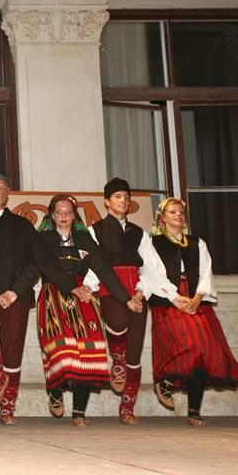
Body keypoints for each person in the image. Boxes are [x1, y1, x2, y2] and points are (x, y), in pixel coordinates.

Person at [35, 194, 135, 426]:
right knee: (61, 349)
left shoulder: (84, 238)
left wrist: (125, 299)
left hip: (84, 296)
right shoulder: (42, 239)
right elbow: (47, 267)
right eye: (59, 212)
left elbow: (103, 269)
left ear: (74, 215)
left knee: (89, 352)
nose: (63, 216)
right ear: (52, 215)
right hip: (54, 294)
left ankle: (79, 413)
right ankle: (55, 391)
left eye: (68, 212)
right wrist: (71, 288)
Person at [148, 198, 238, 426]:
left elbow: (205, 271)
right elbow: (152, 273)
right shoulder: (153, 243)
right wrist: (174, 297)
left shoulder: (196, 243)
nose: (178, 215)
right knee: (190, 343)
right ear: (162, 217)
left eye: (181, 212)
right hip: (168, 300)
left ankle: (194, 410)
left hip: (194, 299)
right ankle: (166, 381)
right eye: (172, 212)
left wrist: (197, 298)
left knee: (206, 350)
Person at [0, 173, 55, 425]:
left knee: (13, 349)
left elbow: (36, 263)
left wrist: (14, 291)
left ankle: (8, 409)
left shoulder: (23, 226)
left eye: (5, 187)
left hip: (17, 296)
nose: (1, 190)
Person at [84, 178, 165, 425]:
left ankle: (127, 407)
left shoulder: (139, 233)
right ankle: (116, 356)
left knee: (135, 353)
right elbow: (94, 265)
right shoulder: (95, 230)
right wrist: (89, 286)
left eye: (127, 197)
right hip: (110, 289)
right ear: (107, 202)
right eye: (118, 196)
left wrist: (141, 293)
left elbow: (153, 268)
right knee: (117, 322)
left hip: (137, 291)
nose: (123, 200)